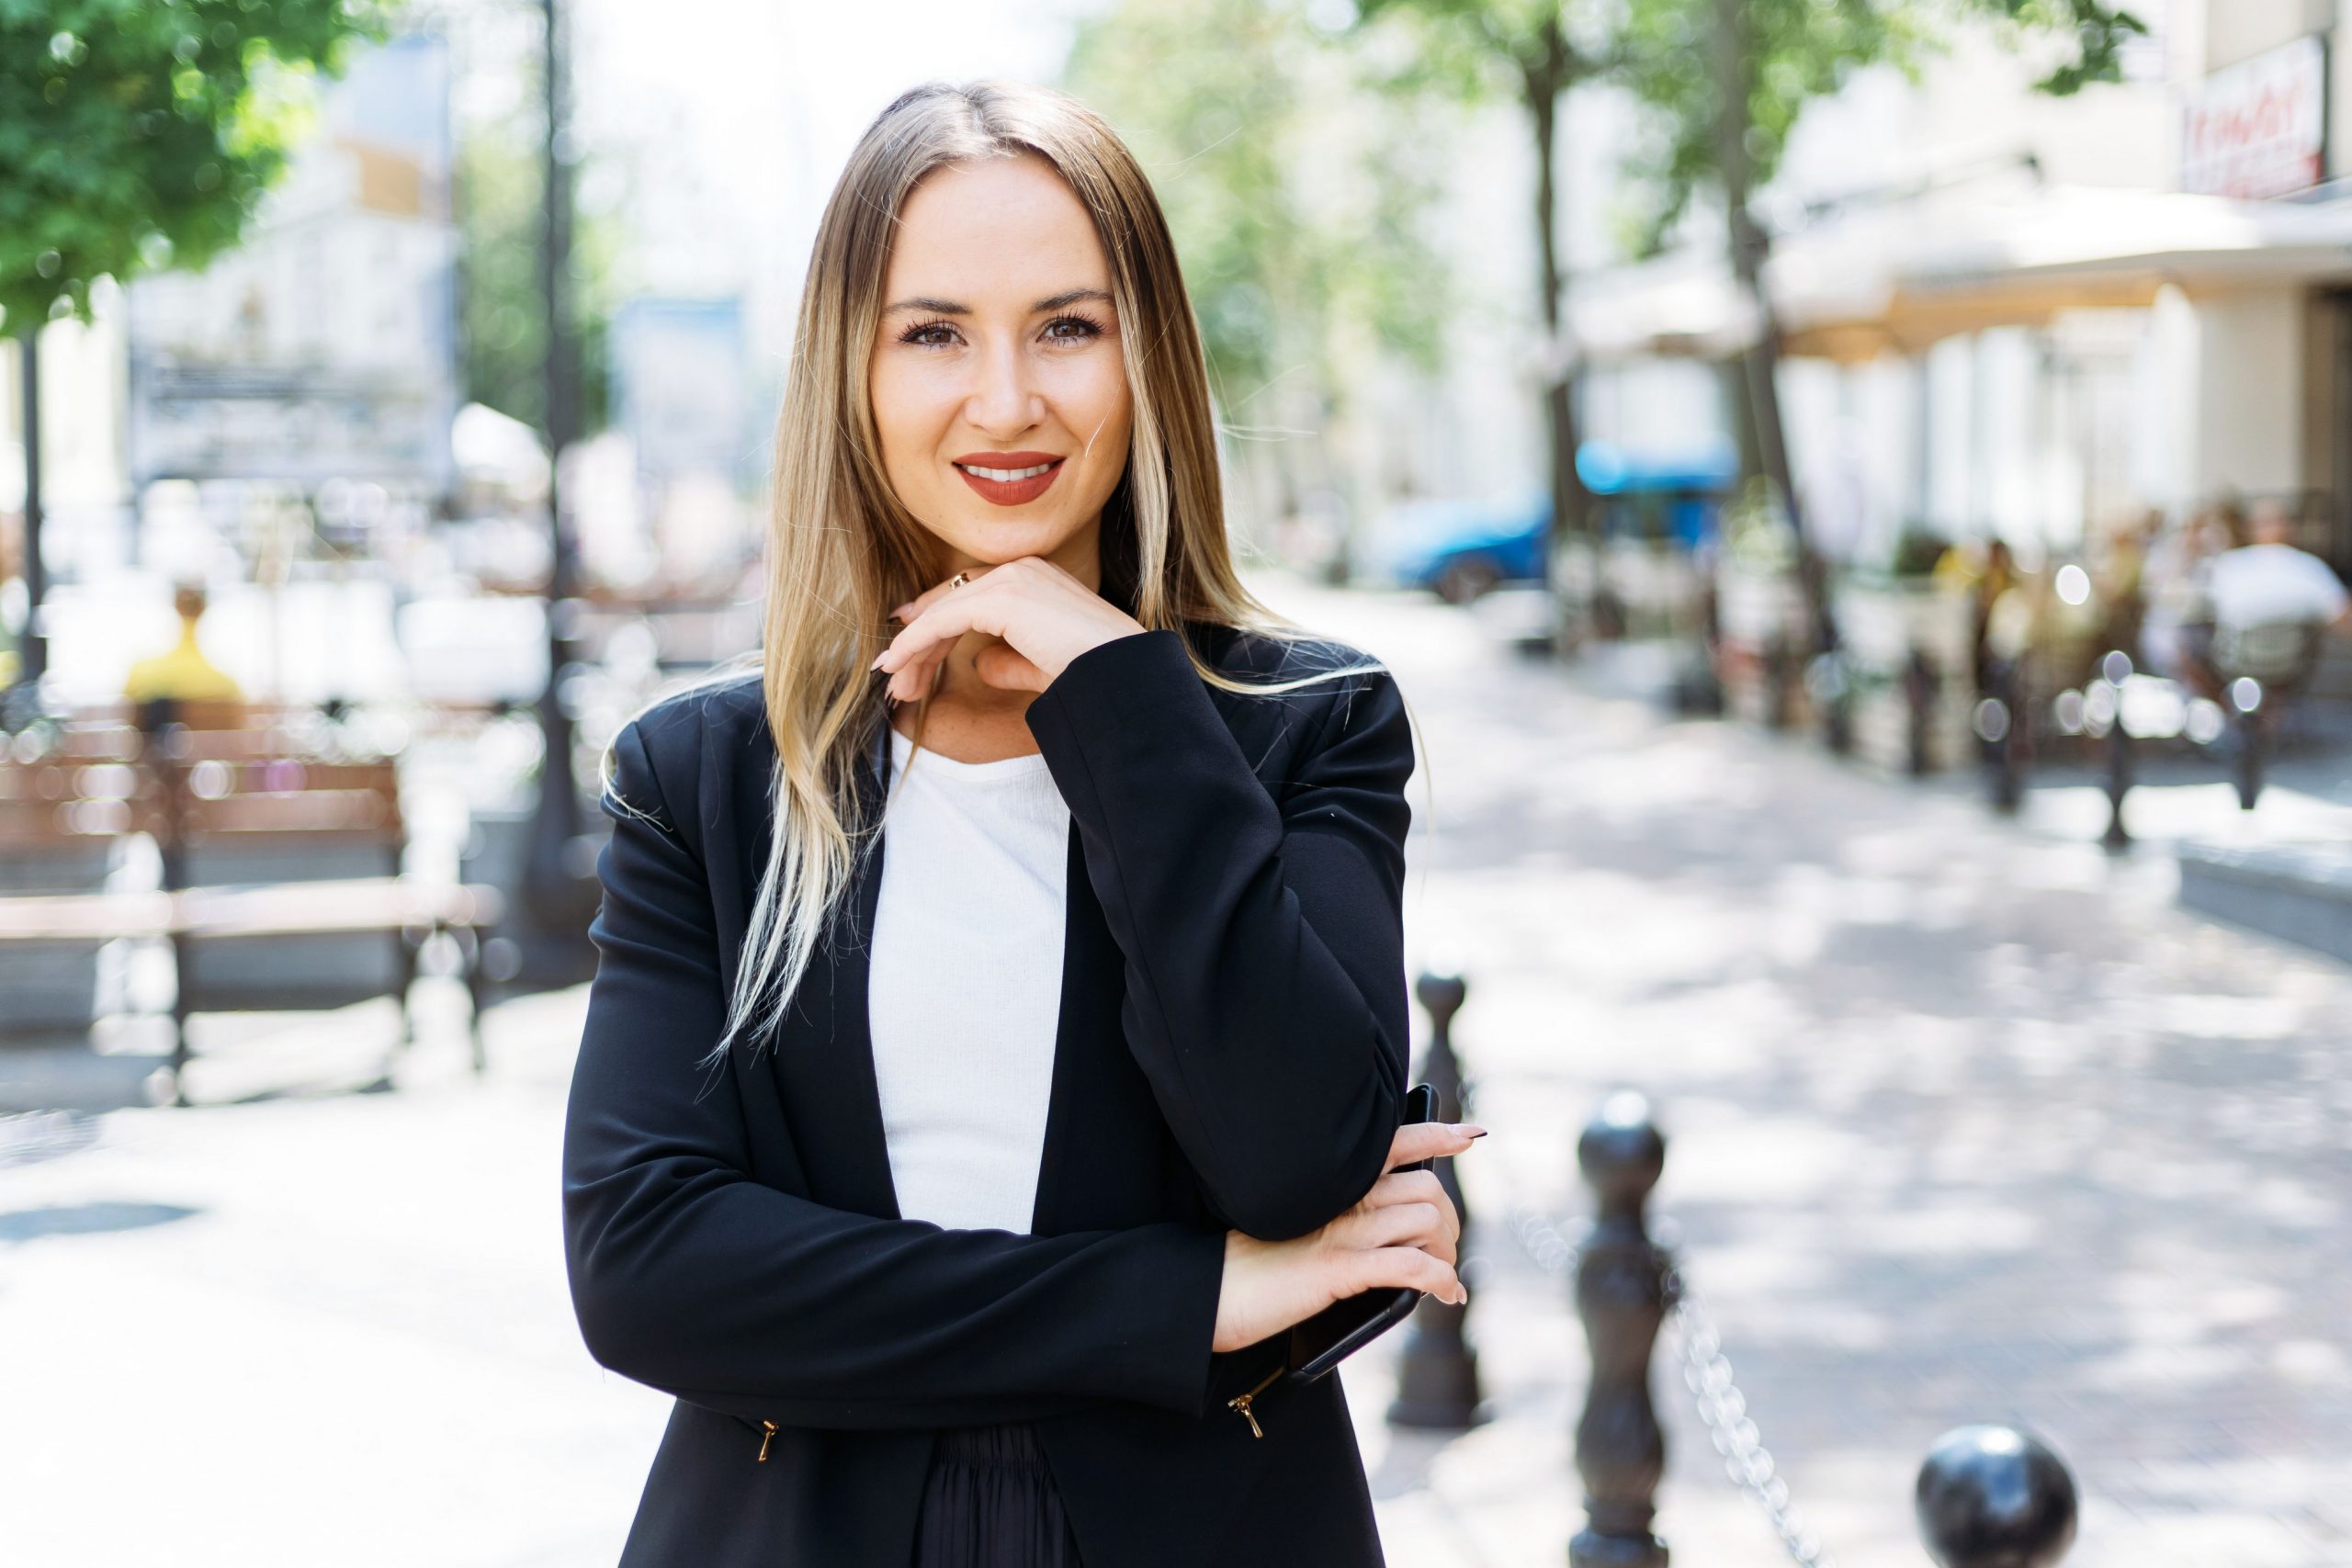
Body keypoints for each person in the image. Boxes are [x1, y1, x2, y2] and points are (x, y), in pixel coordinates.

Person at [561, 80, 1475, 1568]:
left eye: (1066, 326)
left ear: (1147, 356)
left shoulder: (1304, 724)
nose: (1004, 401)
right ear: (852, 371)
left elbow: (1297, 1158)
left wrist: (1124, 697)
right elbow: (647, 1268)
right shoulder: (706, 773)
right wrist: (1187, 1299)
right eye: (934, 333)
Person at [122, 582, 243, 705]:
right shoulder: (224, 683)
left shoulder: (141, 674)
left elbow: (128, 696)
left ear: (175, 604)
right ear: (204, 607)